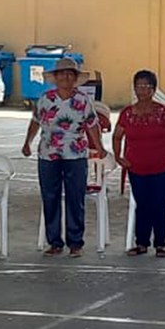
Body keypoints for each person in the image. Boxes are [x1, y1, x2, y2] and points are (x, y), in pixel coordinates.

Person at [22, 57, 103, 256]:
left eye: (70, 74)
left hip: (75, 154)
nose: (66, 77)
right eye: (62, 74)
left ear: (75, 78)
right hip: (48, 153)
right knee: (50, 197)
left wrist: (100, 147)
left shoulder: (83, 100)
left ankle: (75, 243)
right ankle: (55, 242)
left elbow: (92, 124)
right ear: (56, 77)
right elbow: (35, 121)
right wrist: (27, 143)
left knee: (76, 198)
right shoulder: (45, 99)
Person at [113, 70, 165, 257]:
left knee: (159, 204)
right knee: (142, 205)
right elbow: (117, 136)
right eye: (139, 86)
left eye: (147, 87)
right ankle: (141, 243)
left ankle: (160, 244)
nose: (143, 91)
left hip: (163, 166)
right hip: (136, 167)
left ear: (154, 89)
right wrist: (118, 156)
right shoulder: (127, 114)